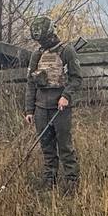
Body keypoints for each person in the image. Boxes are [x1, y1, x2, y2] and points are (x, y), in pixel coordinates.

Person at [23, 15, 82, 192]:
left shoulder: (67, 51)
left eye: (44, 38)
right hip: (41, 108)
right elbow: (31, 83)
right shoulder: (37, 55)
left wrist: (66, 96)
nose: (42, 42)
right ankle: (50, 180)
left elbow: (76, 79)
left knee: (65, 146)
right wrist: (29, 109)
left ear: (51, 33)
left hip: (60, 108)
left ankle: (72, 181)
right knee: (47, 147)